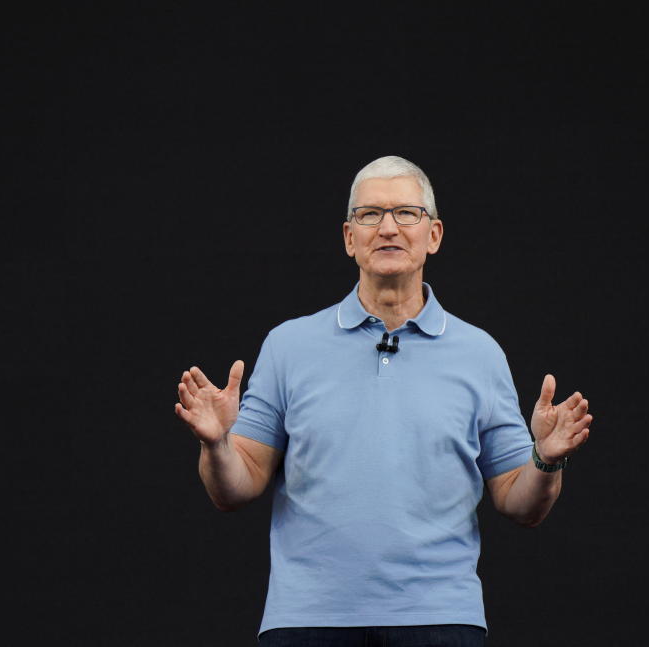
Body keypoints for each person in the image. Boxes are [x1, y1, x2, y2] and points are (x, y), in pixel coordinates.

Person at [174, 156, 593, 646]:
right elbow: (235, 488)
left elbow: (521, 504)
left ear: (433, 235)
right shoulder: (289, 346)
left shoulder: (480, 353)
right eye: (369, 215)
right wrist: (217, 445)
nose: (387, 228)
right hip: (308, 621)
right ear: (349, 238)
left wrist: (545, 459)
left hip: (440, 619)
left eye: (406, 214)